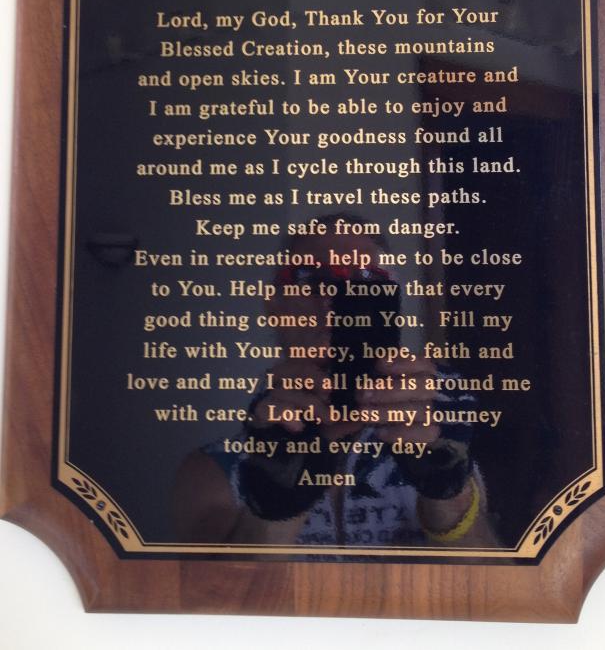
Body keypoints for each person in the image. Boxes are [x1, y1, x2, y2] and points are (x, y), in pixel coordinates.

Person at [174, 216, 494, 549]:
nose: (337, 299)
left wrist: (446, 489)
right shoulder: (216, 472)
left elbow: (491, 593)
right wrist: (273, 504)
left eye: (366, 280)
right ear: (273, 304)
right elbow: (215, 599)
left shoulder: (436, 441)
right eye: (311, 278)